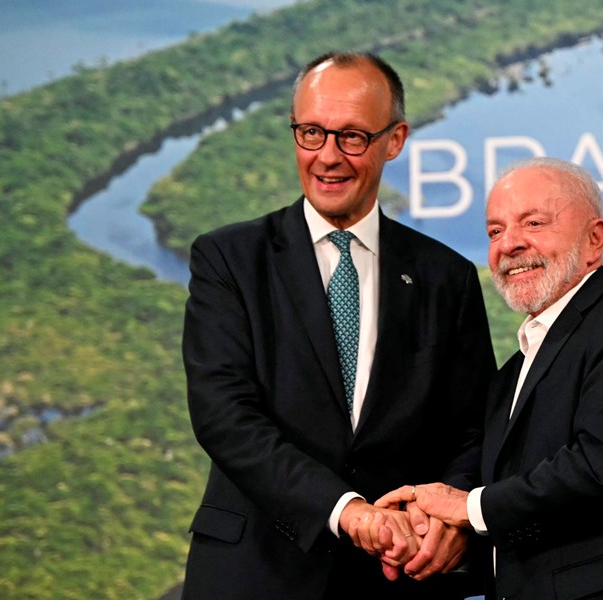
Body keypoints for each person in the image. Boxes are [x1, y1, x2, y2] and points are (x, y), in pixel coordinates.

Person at [180, 51, 495, 599]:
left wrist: (450, 518)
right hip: (255, 574)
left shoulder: (447, 277)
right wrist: (347, 511)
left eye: (352, 137)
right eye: (311, 133)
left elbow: (473, 430)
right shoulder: (229, 259)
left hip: (396, 578)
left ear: (394, 140)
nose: (327, 156)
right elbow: (225, 416)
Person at [379, 157, 603, 599]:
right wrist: (430, 541)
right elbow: (529, 521)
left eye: (533, 223)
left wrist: (467, 507)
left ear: (595, 239)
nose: (509, 244)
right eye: (494, 231)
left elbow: (601, 468)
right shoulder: (509, 377)